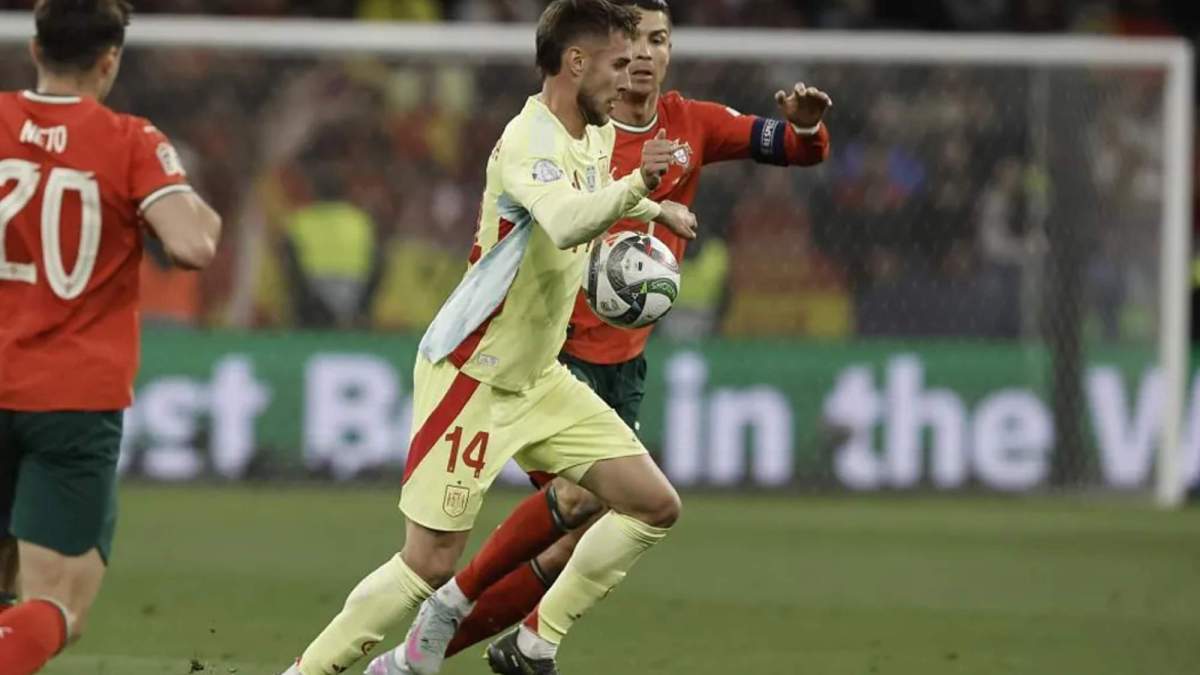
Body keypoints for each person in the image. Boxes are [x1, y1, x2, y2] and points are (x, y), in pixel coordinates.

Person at [370, 1, 832, 673]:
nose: (645, 53)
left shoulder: (691, 123)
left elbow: (788, 147)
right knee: (583, 501)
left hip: (626, 363)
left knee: (574, 543)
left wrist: (809, 128)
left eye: (660, 40)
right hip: (553, 355)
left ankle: (471, 649)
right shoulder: (575, 129)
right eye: (635, 41)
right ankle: (453, 628)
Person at [281, 1, 697, 674]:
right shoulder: (529, 140)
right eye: (618, 64)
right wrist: (639, 187)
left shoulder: (592, 133)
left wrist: (656, 206)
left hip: (538, 377)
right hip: (472, 371)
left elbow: (592, 189)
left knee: (652, 504)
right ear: (576, 62)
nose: (630, 77)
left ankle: (532, 640)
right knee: (427, 560)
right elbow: (564, 220)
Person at [0, 2, 222, 672]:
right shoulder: (129, 140)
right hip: (71, 398)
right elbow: (192, 244)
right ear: (109, 61)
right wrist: (177, 192)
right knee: (56, 603)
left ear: (34, 48)